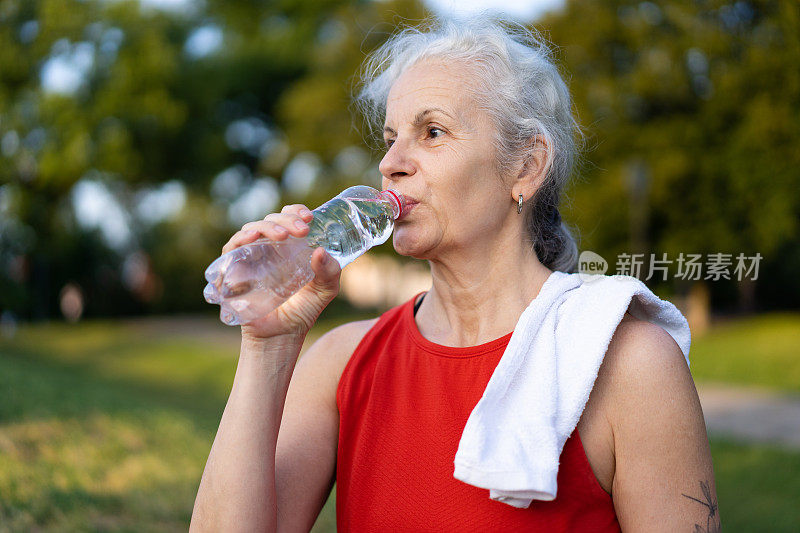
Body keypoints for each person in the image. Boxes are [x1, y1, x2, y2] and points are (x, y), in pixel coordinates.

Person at [190, 16, 718, 532]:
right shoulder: (342, 364)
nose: (390, 163)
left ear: (527, 167)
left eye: (432, 132)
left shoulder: (629, 364)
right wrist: (268, 349)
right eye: (391, 137)